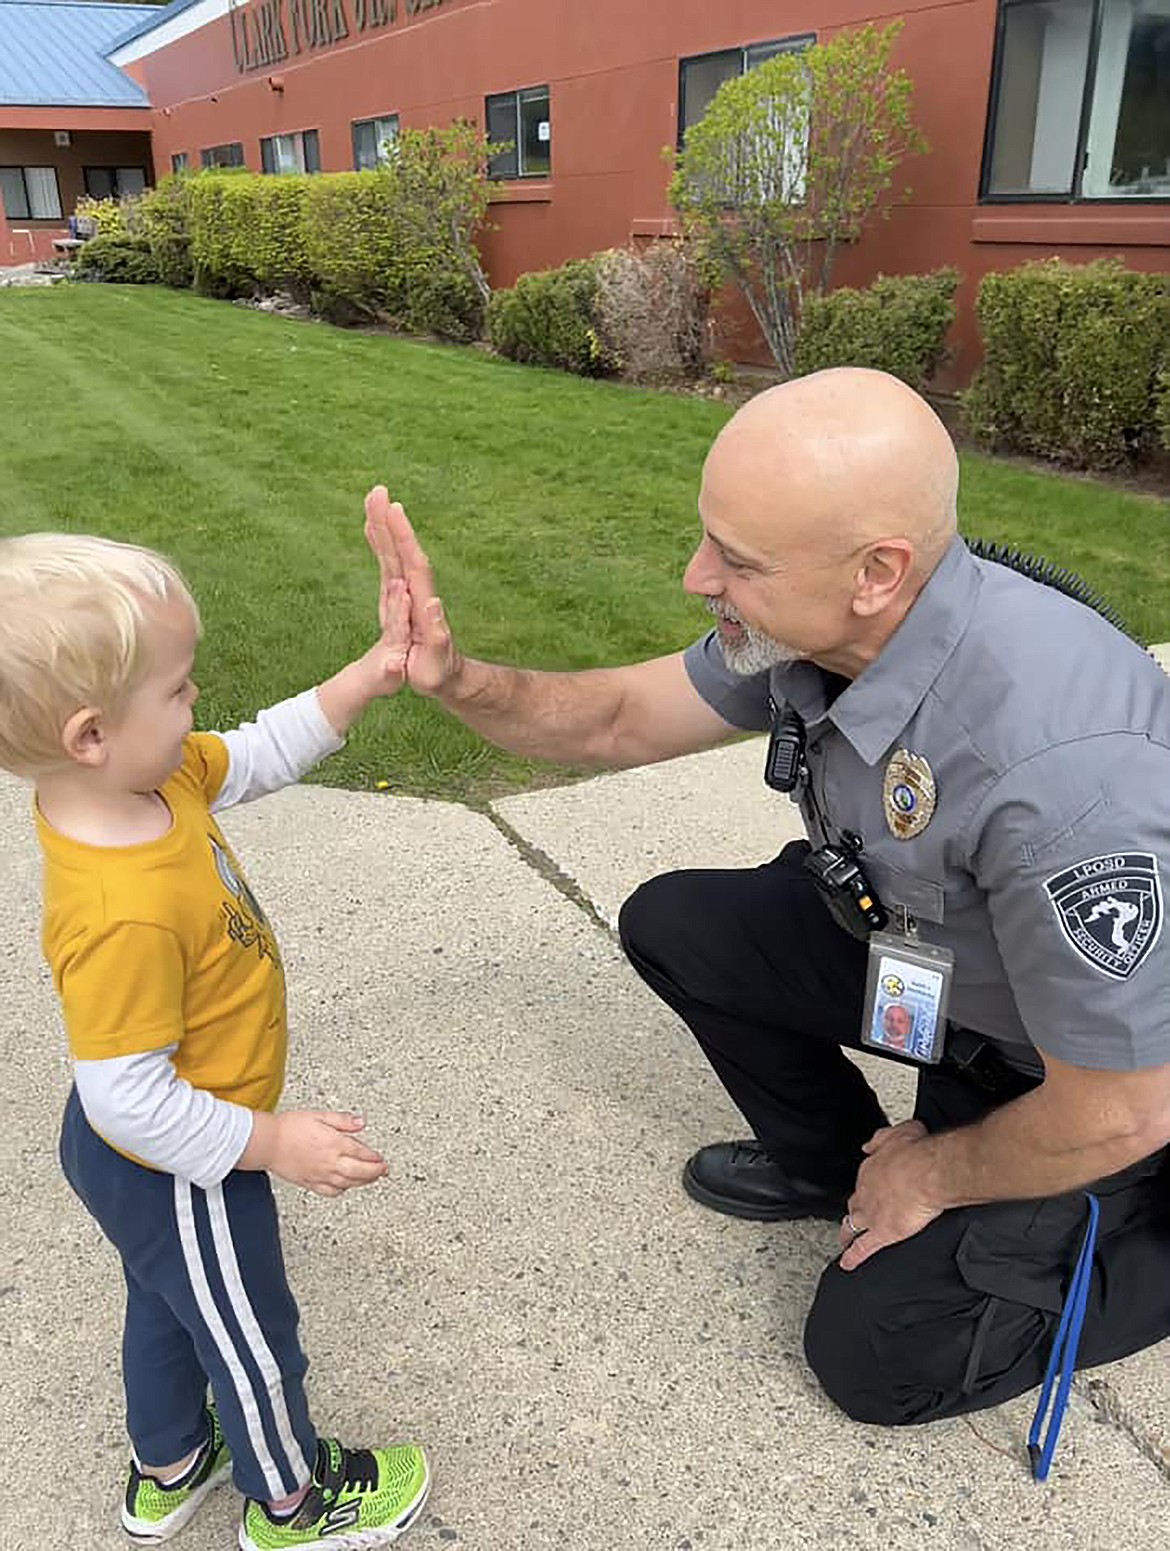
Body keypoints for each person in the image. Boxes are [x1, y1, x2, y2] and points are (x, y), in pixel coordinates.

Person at [364, 365, 1170, 1439]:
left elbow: (1120, 1106)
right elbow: (614, 720)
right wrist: (460, 678)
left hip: (1086, 1072)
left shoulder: (1066, 775)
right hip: (944, 970)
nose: (699, 575)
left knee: (877, 1355)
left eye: (737, 561)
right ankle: (835, 1168)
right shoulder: (822, 633)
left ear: (877, 572)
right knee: (678, 925)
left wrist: (937, 1170)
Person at [0, 533, 430, 1548]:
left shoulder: (142, 787)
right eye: (180, 689)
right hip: (178, 1161)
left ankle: (169, 1461)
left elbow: (254, 751)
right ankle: (292, 1500)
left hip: (148, 1147)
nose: (200, 703)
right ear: (92, 732)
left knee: (171, 1304)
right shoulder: (121, 910)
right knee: (249, 1336)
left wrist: (367, 677)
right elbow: (128, 1099)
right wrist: (274, 1142)